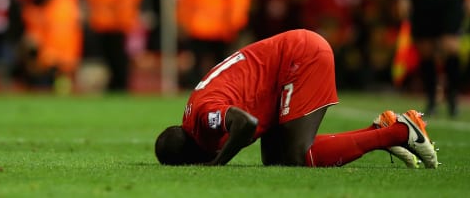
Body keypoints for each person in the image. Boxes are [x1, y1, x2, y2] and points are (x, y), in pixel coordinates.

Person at [155, 29, 438, 168]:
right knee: (276, 160)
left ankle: (400, 132)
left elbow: (246, 124)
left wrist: (217, 163)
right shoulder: (193, 116)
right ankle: (380, 129)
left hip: (299, 57)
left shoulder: (205, 119)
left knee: (297, 156)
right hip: (281, 71)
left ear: (194, 153)